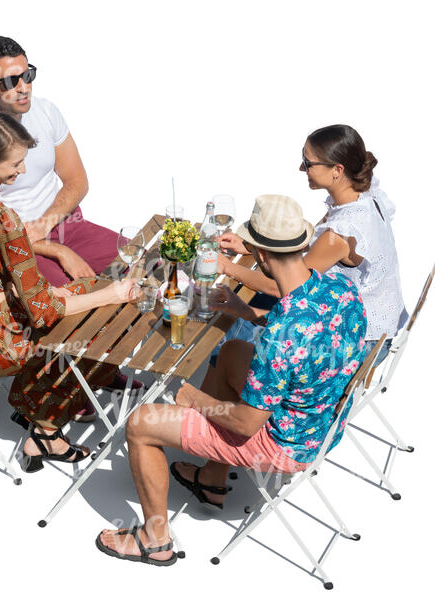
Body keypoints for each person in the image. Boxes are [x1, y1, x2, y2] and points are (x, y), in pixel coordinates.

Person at [95, 195, 367, 566]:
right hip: (321, 420)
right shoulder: (341, 288)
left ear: (259, 253)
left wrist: (193, 398)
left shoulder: (284, 331)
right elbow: (306, 341)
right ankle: (212, 481)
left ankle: (154, 540)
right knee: (235, 350)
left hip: (284, 444)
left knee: (141, 423)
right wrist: (246, 312)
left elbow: (244, 421)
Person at [0, 111, 137, 472]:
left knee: (81, 291)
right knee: (100, 323)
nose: (23, 172)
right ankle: (44, 426)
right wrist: (112, 296)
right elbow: (44, 314)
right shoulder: (4, 218)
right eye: (16, 164)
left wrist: (51, 293)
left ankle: (48, 425)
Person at [218, 124, 407, 365]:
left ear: (337, 170)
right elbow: (309, 243)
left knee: (237, 333)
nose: (301, 168)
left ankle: (225, 386)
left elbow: (284, 286)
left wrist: (225, 267)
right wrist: (252, 246)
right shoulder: (361, 195)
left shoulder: (341, 234)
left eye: (308, 163)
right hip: (368, 320)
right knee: (251, 308)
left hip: (357, 341)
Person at [0, 35, 121, 287]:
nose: (24, 87)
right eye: (10, 81)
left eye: (27, 75)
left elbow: (77, 180)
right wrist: (55, 250)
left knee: (144, 266)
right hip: (17, 246)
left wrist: (44, 225)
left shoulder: (46, 112)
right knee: (73, 304)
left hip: (67, 224)